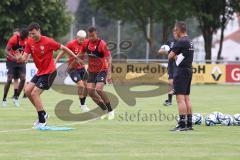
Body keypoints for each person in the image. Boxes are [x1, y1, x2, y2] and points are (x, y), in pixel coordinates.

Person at [15, 22, 82, 128]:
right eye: (30, 34)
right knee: (27, 91)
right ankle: (43, 114)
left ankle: (42, 120)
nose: (32, 36)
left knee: (35, 93)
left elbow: (63, 48)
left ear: (38, 30)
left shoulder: (48, 41)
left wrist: (75, 57)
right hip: (40, 72)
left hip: (50, 72)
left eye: (33, 33)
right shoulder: (29, 42)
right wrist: (19, 58)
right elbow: (24, 59)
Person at [77, 26, 114, 120]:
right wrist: (78, 60)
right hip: (92, 71)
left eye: (92, 36)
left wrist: (109, 74)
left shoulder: (102, 44)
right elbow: (80, 55)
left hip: (102, 70)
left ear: (96, 34)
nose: (91, 38)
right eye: (89, 36)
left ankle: (111, 111)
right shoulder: (86, 43)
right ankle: (105, 110)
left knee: (99, 89)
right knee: (90, 91)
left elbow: (109, 58)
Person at [168, 21, 194, 131]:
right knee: (187, 98)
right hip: (189, 70)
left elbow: (170, 56)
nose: (175, 32)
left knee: (180, 99)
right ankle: (189, 124)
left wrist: (175, 56)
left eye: (175, 30)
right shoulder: (190, 41)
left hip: (181, 71)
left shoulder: (181, 41)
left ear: (179, 30)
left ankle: (182, 124)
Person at [55, 30, 90, 112]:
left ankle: (83, 102)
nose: (82, 41)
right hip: (72, 69)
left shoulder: (86, 44)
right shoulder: (71, 44)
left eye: (83, 39)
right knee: (81, 85)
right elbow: (62, 52)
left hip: (82, 68)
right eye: (80, 39)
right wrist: (55, 61)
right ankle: (82, 105)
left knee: (87, 85)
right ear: (76, 37)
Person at [2, 27, 29, 107]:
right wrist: (14, 57)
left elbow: (29, 51)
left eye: (24, 37)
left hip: (21, 61)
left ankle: (16, 97)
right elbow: (6, 51)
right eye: (21, 36)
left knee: (23, 78)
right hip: (11, 61)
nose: (22, 38)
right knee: (9, 80)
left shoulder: (27, 40)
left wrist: (26, 59)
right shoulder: (14, 38)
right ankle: (4, 99)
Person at [159, 29, 178, 106]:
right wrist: (167, 51)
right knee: (170, 83)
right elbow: (160, 51)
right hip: (171, 65)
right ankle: (169, 101)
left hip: (178, 65)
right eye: (174, 32)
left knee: (175, 82)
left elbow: (178, 56)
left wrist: (174, 54)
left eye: (176, 32)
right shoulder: (169, 42)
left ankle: (176, 93)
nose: (175, 33)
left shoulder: (182, 42)